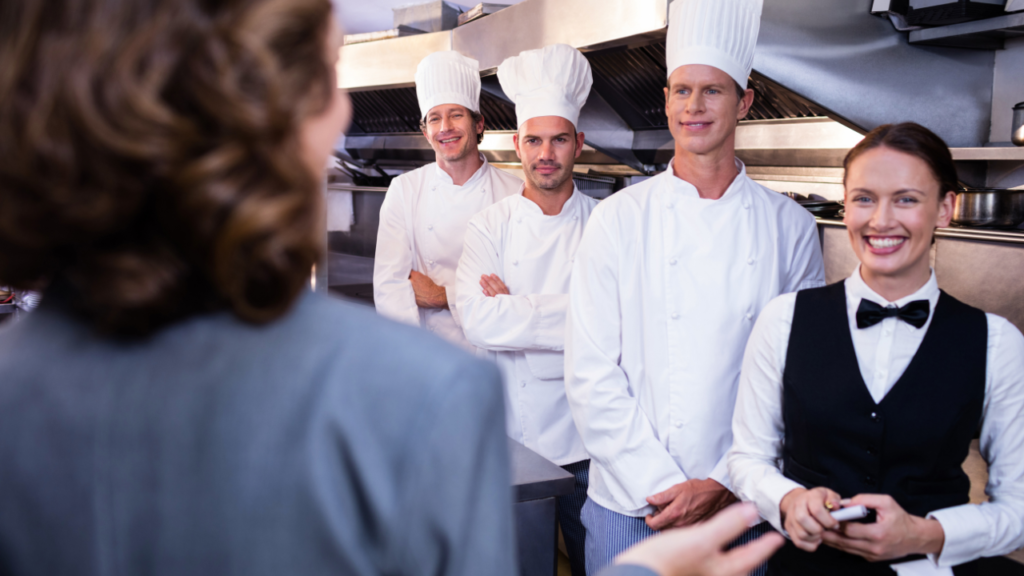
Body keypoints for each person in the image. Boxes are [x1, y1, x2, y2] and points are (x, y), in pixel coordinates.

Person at [0, 1, 519, 573]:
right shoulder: (426, 400)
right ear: (281, 112)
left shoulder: (16, 391)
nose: (343, 109)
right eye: (330, 71)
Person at [564, 0, 825, 572]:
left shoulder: (792, 228)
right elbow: (590, 371)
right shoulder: (619, 219)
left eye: (713, 91)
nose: (694, 106)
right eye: (681, 90)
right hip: (632, 501)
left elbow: (796, 377)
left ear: (745, 102)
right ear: (665, 101)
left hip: (739, 502)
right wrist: (663, 486)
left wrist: (727, 482)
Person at [727, 123, 1024, 576]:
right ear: (845, 205)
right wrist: (787, 499)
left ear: (945, 208)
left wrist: (927, 534)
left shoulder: (997, 341)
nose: (880, 220)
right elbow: (747, 458)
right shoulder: (783, 320)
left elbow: (1019, 508)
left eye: (906, 198)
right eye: (864, 198)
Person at [455, 43, 596, 576]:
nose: (546, 154)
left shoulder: (606, 224)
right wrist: (574, 314)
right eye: (534, 140)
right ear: (516, 144)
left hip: (588, 442)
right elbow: (477, 319)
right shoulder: (489, 226)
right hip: (512, 441)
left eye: (559, 139)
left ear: (578, 143)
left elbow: (617, 320)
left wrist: (516, 308)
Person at [373, 50, 522, 350]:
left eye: (456, 115)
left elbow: (518, 292)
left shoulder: (516, 192)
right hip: (429, 354)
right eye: (435, 119)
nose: (445, 128)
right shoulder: (404, 190)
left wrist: (440, 297)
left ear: (479, 124)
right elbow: (390, 290)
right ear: (425, 132)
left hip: (494, 355)